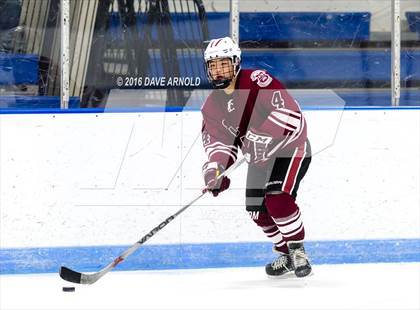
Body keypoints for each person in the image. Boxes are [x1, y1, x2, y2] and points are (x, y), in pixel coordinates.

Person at [201, 37, 312, 278]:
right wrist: (217, 170)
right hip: (260, 159)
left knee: (276, 197)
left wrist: (261, 136)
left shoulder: (256, 81)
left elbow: (292, 115)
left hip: (289, 148)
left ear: (236, 62)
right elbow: (220, 143)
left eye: (223, 64)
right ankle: (286, 254)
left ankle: (298, 251)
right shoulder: (211, 106)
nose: (218, 71)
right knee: (256, 210)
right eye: (213, 66)